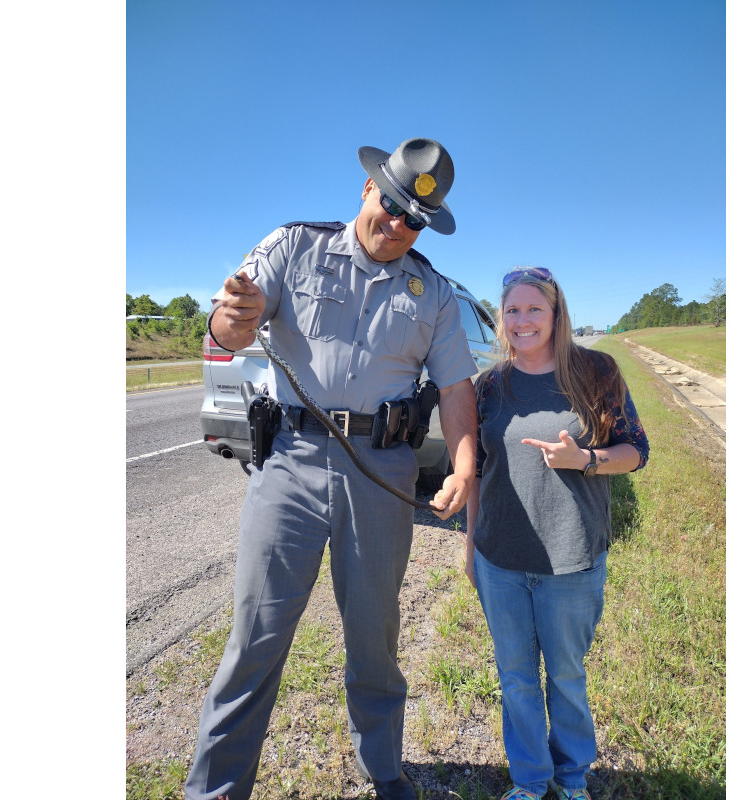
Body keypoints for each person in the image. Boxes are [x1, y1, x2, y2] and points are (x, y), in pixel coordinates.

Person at [183, 138, 478, 800]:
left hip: (382, 472)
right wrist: (231, 321)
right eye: (393, 206)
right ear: (368, 190)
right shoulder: (294, 246)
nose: (399, 225)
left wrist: (464, 465)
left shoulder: (431, 291)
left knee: (375, 636)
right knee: (255, 636)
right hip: (289, 463)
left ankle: (385, 772)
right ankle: (215, 790)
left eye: (415, 220)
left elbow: (458, 390)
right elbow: (228, 325)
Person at [464, 267, 650, 800]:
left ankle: (570, 780)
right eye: (512, 311)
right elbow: (477, 471)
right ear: (502, 319)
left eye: (534, 310)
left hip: (572, 561)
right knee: (517, 680)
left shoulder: (597, 372)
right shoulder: (490, 385)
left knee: (565, 679)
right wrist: (470, 545)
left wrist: (585, 459)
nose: (522, 321)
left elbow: (637, 451)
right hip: (500, 559)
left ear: (556, 313)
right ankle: (529, 781)